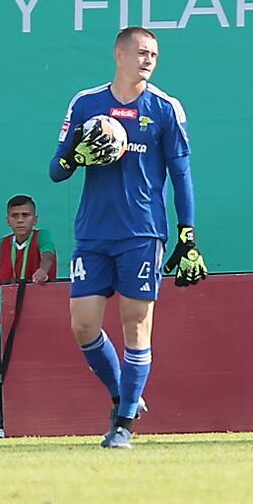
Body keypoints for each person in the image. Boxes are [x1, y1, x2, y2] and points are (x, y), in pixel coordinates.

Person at [49, 26, 208, 449]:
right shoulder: (87, 103)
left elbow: (181, 175)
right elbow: (56, 171)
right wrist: (75, 156)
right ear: (119, 55)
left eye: (153, 54)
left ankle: (122, 426)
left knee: (136, 324)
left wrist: (187, 234)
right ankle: (124, 395)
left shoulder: (165, 107)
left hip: (142, 231)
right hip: (93, 232)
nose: (148, 60)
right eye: (141, 52)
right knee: (83, 325)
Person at [0, 194, 57, 285]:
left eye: (25, 215)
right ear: (8, 221)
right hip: (12, 293)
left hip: (41, 293)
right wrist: (3, 276)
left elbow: (48, 255)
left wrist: (43, 270)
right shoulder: (3, 244)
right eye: (15, 216)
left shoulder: (42, 236)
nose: (20, 220)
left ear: (35, 220)